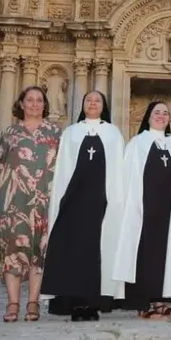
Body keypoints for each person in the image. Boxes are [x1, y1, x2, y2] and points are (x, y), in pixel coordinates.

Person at [40, 90, 126, 321]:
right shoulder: (71, 133)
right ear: (83, 105)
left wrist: (117, 200)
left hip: (102, 202)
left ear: (104, 106)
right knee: (73, 251)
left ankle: (93, 304)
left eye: (97, 100)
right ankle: (74, 303)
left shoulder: (113, 134)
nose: (93, 103)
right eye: (88, 100)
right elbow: (64, 169)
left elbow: (118, 171)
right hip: (74, 202)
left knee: (98, 251)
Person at [114, 101, 171, 320]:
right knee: (144, 254)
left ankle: (159, 301)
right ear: (148, 117)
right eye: (157, 112)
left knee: (165, 254)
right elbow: (128, 178)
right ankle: (142, 304)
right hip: (143, 209)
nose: (161, 116)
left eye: (165, 113)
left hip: (168, 210)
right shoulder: (137, 143)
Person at [0, 85, 61, 322]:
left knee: (39, 251)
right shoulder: (10, 133)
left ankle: (33, 302)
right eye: (29, 100)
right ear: (21, 104)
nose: (34, 104)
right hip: (14, 203)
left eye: (39, 100)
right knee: (13, 251)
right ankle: (13, 303)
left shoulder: (55, 133)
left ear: (44, 104)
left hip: (45, 201)